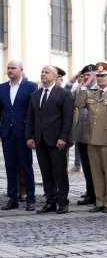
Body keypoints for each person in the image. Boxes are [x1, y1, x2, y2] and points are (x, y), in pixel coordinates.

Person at [75, 62, 107, 213]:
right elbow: (79, 104)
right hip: (91, 139)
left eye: (103, 75)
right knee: (96, 172)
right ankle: (99, 201)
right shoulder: (91, 92)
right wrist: (84, 85)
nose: (100, 78)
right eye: (98, 75)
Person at [25, 65, 73, 214]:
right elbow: (30, 117)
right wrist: (29, 137)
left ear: (55, 76)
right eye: (42, 72)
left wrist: (63, 138)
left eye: (47, 72)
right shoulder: (35, 94)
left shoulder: (64, 94)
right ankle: (50, 201)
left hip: (57, 140)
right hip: (40, 140)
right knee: (45, 172)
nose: (43, 74)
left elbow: (68, 118)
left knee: (59, 172)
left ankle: (62, 202)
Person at [0, 60, 38, 211]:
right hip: (7, 133)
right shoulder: (2, 88)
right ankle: (12, 198)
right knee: (9, 167)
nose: (10, 70)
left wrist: (32, 134)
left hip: (23, 133)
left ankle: (30, 198)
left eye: (13, 68)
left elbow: (33, 111)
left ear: (21, 69)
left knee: (26, 166)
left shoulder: (31, 87)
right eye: (8, 68)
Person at [68, 64, 98, 206]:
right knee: (86, 166)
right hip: (82, 133)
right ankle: (90, 192)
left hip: (96, 135)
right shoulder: (80, 88)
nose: (87, 77)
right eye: (85, 75)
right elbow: (67, 98)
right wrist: (71, 82)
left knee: (97, 166)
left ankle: (100, 193)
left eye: (90, 75)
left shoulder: (102, 88)